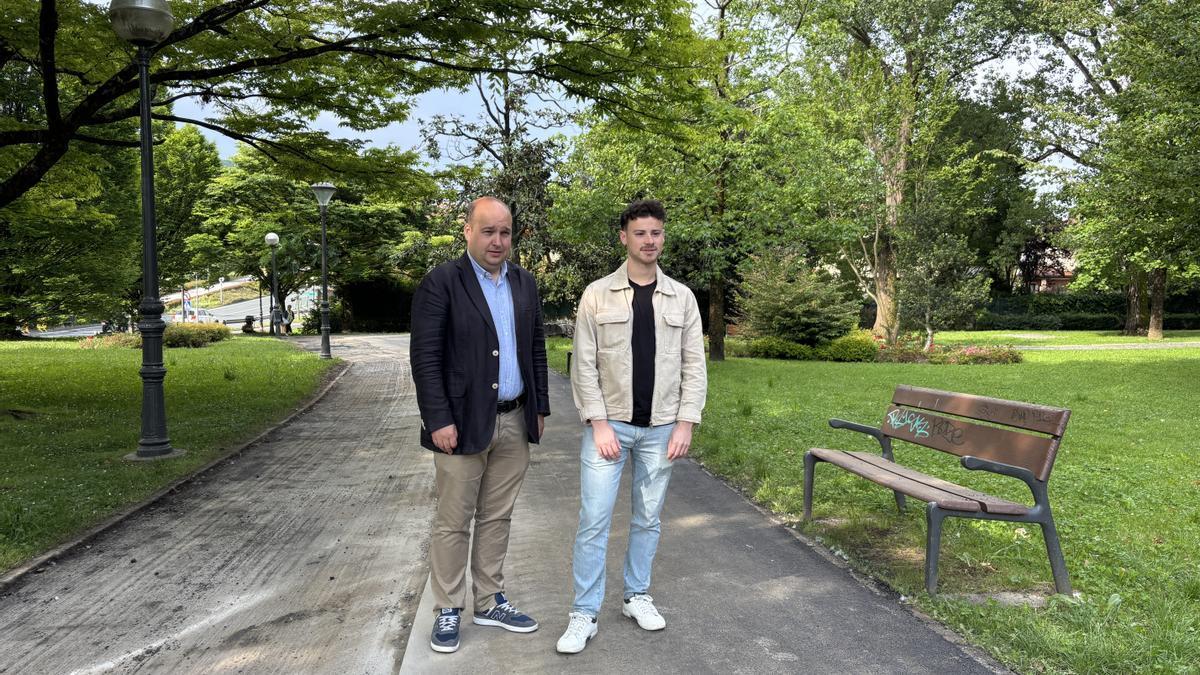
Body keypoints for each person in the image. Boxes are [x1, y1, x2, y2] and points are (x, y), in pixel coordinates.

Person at [556, 199, 707, 654]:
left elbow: (694, 366)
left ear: (663, 237)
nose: (649, 241)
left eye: (656, 233)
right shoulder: (597, 295)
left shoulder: (682, 297)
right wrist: (599, 423)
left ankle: (636, 596)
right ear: (624, 237)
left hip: (661, 430)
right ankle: (584, 613)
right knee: (594, 521)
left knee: (648, 519)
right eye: (640, 233)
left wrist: (686, 423)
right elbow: (583, 365)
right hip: (611, 428)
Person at [409, 196, 551, 654]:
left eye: (505, 232)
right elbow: (425, 358)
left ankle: (489, 601)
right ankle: (448, 608)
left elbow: (536, 352)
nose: (497, 240)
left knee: (497, 516)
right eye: (487, 231)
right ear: (467, 231)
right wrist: (437, 420)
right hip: (461, 425)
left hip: (513, 420)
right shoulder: (442, 283)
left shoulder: (524, 283)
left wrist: (540, 408)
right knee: (453, 521)